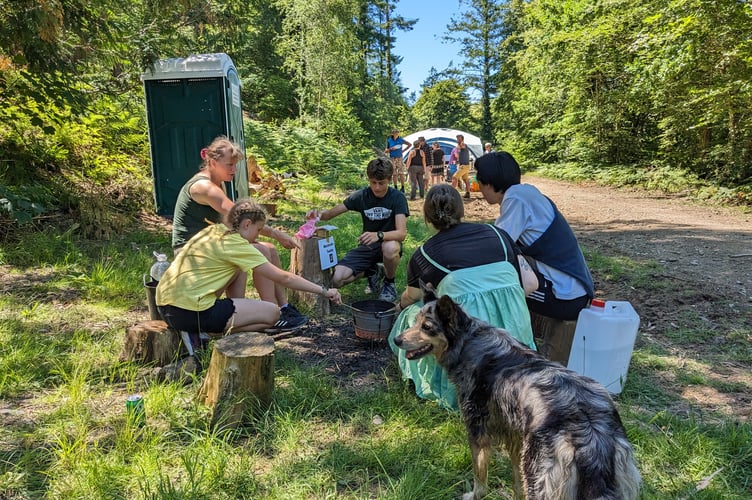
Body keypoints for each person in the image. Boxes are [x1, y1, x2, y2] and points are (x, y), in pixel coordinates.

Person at [387, 184, 538, 410]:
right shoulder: (499, 235)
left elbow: (412, 296)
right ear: (462, 211)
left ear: (427, 218)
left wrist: (399, 306)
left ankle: (438, 383)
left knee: (413, 313)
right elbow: (530, 284)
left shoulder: (426, 254)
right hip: (514, 342)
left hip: (468, 348)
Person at [157, 199, 342, 347]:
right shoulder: (236, 244)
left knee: (237, 267)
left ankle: (213, 326)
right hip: (192, 312)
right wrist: (324, 291)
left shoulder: (213, 231)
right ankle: (205, 332)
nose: (258, 235)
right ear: (246, 224)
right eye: (259, 229)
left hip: (165, 307)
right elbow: (283, 277)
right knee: (272, 313)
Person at [171, 136, 305, 332]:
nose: (233, 170)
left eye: (235, 165)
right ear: (212, 162)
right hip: (189, 250)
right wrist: (277, 234)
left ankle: (282, 308)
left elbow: (233, 224)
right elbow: (241, 216)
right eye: (229, 165)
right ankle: (272, 315)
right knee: (260, 253)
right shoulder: (205, 187)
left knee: (269, 250)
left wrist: (260, 237)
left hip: (211, 245)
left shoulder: (219, 182)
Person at [475, 151, 594, 322]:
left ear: (488, 183)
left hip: (565, 298)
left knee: (494, 290)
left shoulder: (516, 199)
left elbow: (497, 246)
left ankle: (510, 341)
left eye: (479, 183)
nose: (479, 189)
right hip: (575, 291)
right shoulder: (526, 193)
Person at [306, 157, 409, 302]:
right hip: (367, 247)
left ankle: (389, 282)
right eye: (373, 182)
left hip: (389, 243)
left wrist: (378, 235)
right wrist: (317, 214)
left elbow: (401, 233)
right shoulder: (361, 196)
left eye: (382, 183)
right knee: (336, 279)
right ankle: (373, 271)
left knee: (390, 247)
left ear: (390, 180)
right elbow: (330, 214)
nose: (377, 187)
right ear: (369, 179)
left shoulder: (397, 197)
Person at [455, 134, 472, 199]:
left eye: (459, 138)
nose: (457, 140)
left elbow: (462, 146)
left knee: (454, 177)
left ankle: (451, 193)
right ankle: (468, 193)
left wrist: (459, 145)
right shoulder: (460, 146)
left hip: (464, 166)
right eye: (457, 139)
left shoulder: (463, 144)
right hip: (463, 165)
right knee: (465, 180)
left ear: (462, 139)